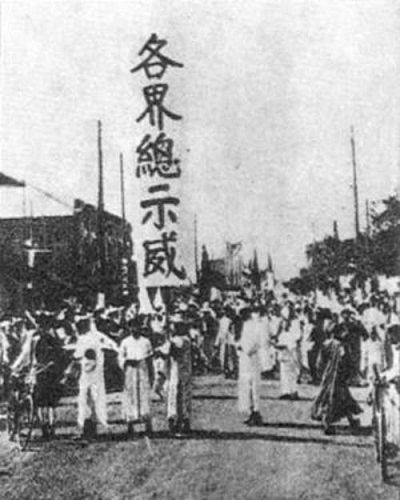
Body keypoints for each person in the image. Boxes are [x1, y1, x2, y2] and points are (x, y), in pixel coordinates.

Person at [311, 321, 363, 435]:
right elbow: (347, 360)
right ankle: (327, 423)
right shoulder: (342, 346)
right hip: (338, 376)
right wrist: (350, 372)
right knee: (338, 398)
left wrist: (322, 372)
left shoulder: (326, 344)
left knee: (333, 397)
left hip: (328, 375)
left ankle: (350, 421)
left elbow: (320, 362)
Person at [73, 312, 118, 439]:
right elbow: (114, 347)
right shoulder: (98, 337)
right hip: (92, 372)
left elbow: (77, 355)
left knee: (87, 398)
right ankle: (92, 425)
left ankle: (88, 427)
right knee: (94, 397)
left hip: (91, 372)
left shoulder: (85, 338)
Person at [118, 317, 154, 437]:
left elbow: (149, 359)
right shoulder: (125, 342)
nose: (134, 329)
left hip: (142, 370)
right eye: (132, 327)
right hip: (130, 370)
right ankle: (130, 424)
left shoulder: (146, 341)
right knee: (130, 395)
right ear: (129, 328)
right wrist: (126, 362)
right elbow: (120, 357)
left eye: (137, 326)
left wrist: (151, 374)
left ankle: (148, 424)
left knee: (144, 395)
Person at [163, 312, 192, 434]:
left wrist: (168, 340)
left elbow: (173, 349)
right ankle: (173, 420)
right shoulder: (173, 340)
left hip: (182, 371)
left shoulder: (184, 340)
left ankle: (182, 421)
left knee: (181, 396)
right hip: (173, 371)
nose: (175, 327)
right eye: (174, 325)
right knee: (172, 395)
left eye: (177, 325)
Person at [237, 305, 263, 426]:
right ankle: (251, 412)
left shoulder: (254, 325)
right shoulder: (246, 325)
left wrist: (248, 351)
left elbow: (257, 342)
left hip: (252, 358)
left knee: (253, 385)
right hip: (245, 359)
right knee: (246, 386)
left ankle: (256, 412)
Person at [273, 312, 302, 400]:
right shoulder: (282, 334)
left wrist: (275, 345)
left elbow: (286, 346)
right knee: (284, 376)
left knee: (291, 375)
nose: (284, 325)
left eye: (286, 324)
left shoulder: (291, 335)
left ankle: (294, 392)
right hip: (283, 358)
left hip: (290, 358)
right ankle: (286, 392)